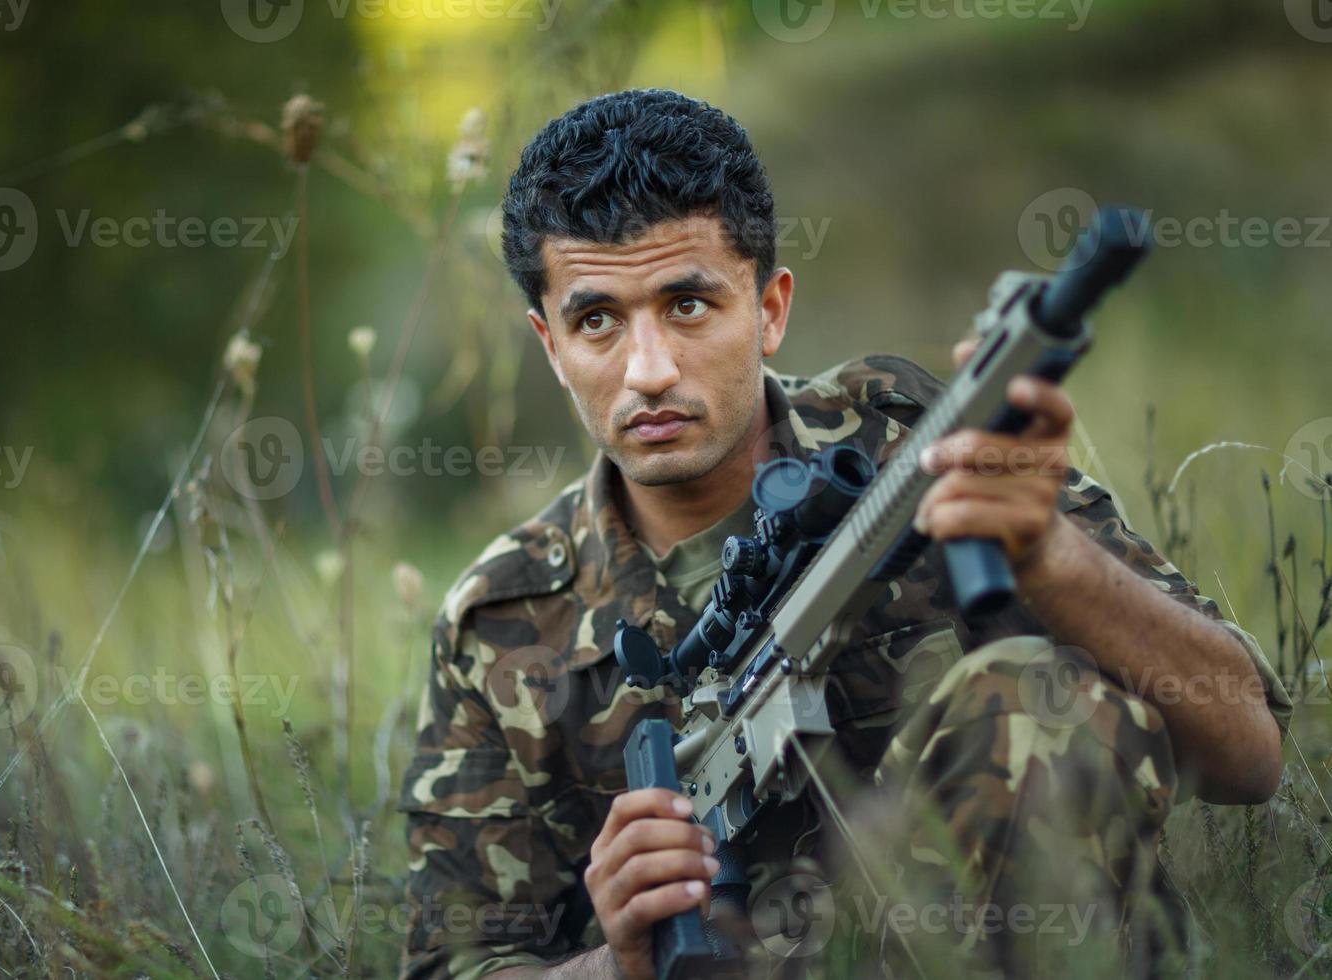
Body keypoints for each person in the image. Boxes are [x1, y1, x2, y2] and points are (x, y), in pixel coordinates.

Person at [397, 88, 1291, 979]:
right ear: (550, 345)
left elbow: (1249, 756)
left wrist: (1054, 560)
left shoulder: (908, 441)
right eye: (597, 321)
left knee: (1034, 695)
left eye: (689, 305)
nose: (650, 371)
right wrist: (617, 962)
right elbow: (456, 964)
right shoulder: (503, 621)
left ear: (771, 309)